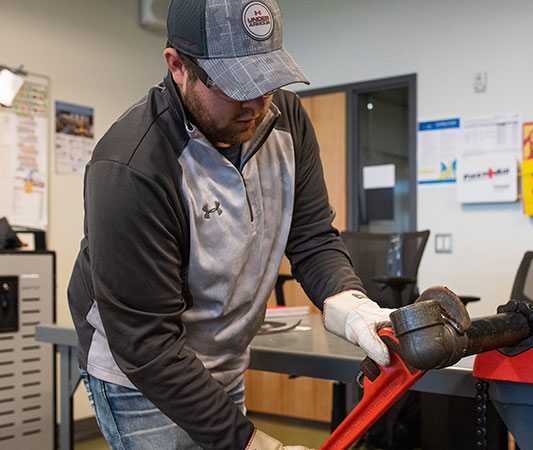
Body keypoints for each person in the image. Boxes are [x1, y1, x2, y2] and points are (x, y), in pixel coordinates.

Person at [67, 0, 395, 449]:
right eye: (237, 85)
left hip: (222, 359)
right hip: (139, 377)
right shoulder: (132, 166)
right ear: (178, 66)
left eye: (266, 80)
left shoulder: (286, 120)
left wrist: (350, 304)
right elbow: (147, 345)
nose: (258, 103)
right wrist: (249, 442)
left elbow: (312, 236)